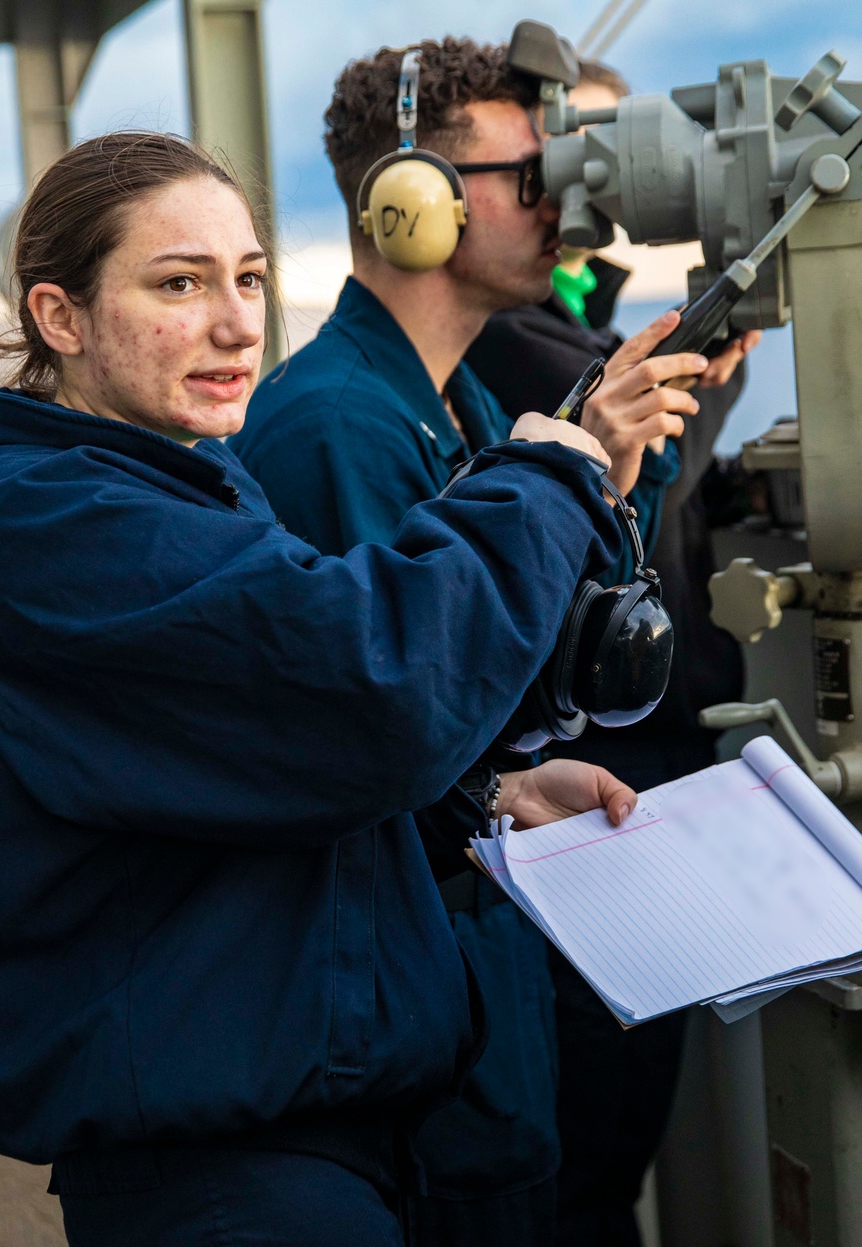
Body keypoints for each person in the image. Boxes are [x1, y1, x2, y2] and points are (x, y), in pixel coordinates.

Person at [0, 131, 642, 1247]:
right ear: (60, 318)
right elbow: (367, 687)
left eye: (248, 278)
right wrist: (546, 473)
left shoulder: (177, 482)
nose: (239, 322)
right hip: (220, 1174)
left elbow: (252, 753)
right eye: (179, 283)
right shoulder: (41, 522)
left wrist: (477, 799)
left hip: (309, 1137)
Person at [231, 38, 710, 1247]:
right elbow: (395, 722)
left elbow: (551, 651)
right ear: (412, 204)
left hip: (479, 972)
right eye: (531, 177)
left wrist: (613, 474)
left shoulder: (476, 410)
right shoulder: (338, 427)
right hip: (415, 993)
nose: (566, 207)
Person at [465, 60, 757, 1247]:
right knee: (596, 1130)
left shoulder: (567, 325)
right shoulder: (525, 344)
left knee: (615, 1119)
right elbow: (626, 486)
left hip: (626, 752)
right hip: (599, 764)